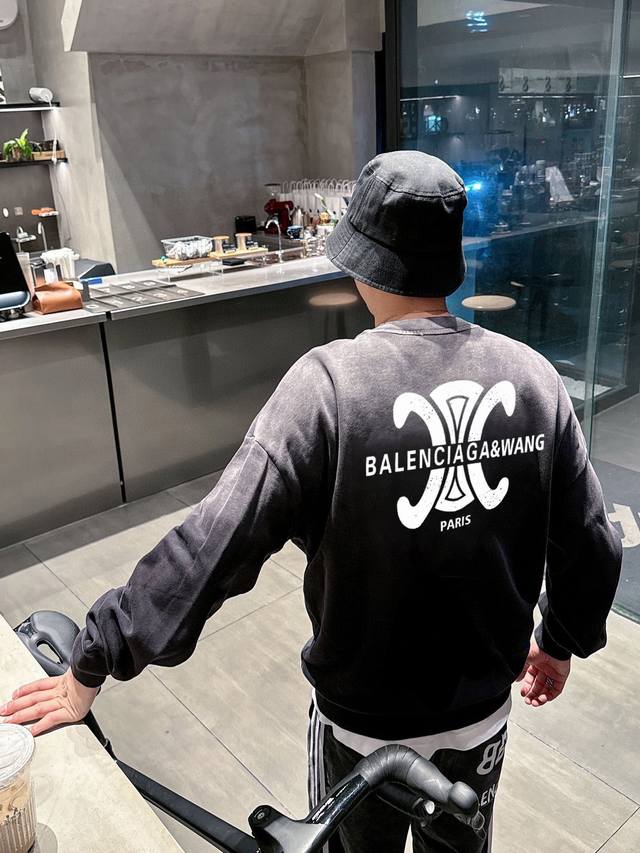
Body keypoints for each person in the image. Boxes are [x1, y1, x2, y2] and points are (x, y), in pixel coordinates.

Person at [1, 151, 622, 852]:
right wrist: (560, 642)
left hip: (359, 729)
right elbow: (592, 541)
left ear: (365, 266)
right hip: (481, 716)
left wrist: (93, 658)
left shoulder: (328, 387)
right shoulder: (534, 379)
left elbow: (213, 543)